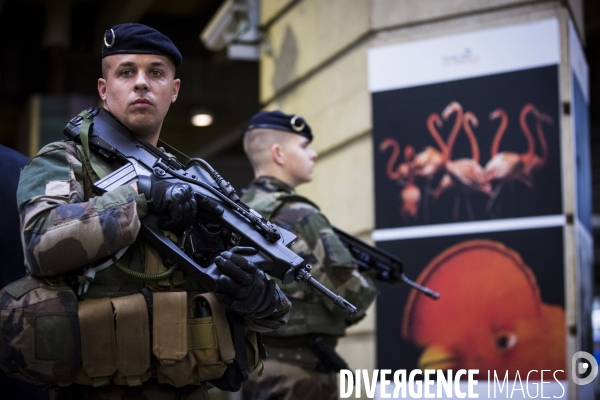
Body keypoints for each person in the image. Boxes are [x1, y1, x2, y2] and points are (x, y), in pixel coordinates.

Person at [11, 24, 290, 400]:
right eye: (126, 72)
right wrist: (139, 195)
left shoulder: (197, 181)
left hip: (189, 386)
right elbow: (40, 243)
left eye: (156, 72)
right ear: (104, 89)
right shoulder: (66, 160)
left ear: (173, 90)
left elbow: (260, 305)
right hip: (97, 388)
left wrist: (259, 300)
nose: (141, 83)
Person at [240, 111, 377, 400]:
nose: (313, 154)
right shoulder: (301, 214)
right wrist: (368, 279)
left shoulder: (239, 208)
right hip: (299, 372)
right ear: (278, 153)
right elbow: (353, 299)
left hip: (254, 365)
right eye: (303, 147)